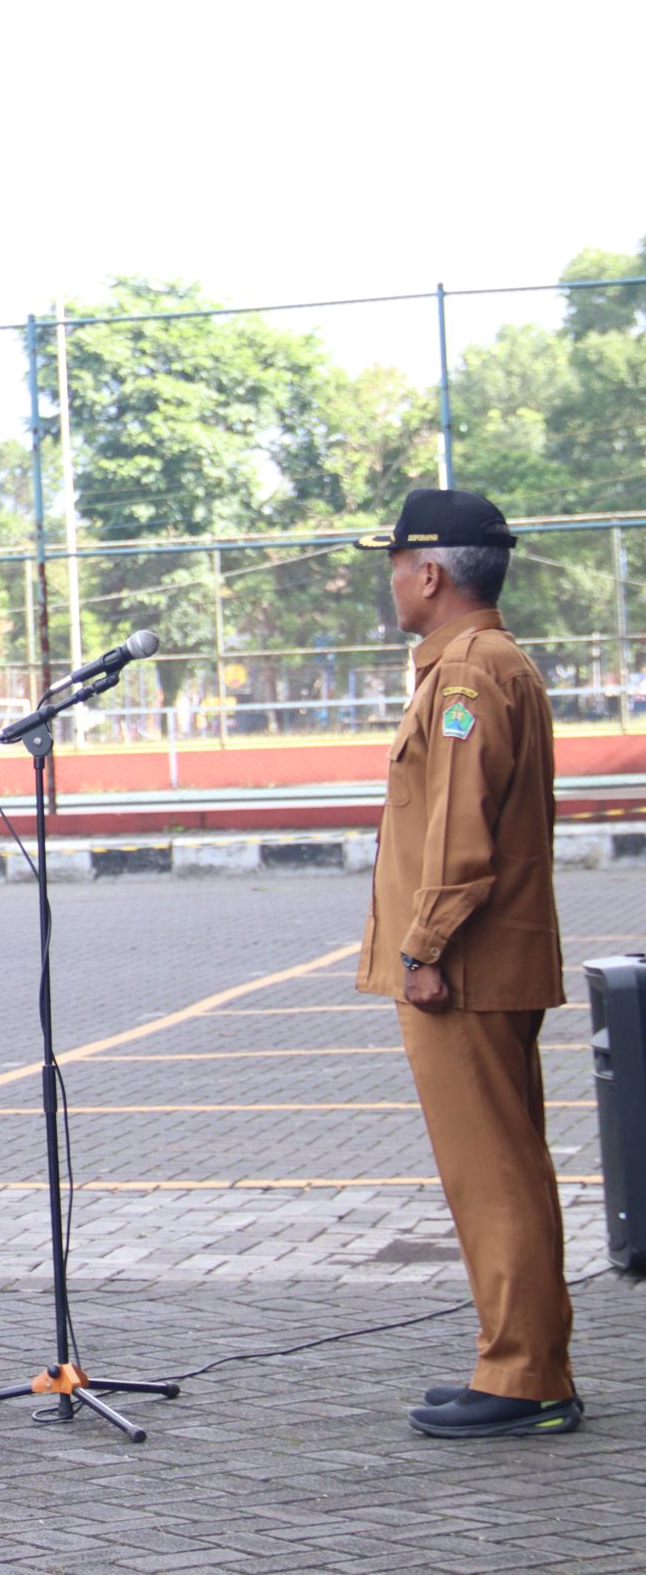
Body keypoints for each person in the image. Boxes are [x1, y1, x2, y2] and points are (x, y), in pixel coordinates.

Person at [352, 489, 580, 1439]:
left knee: (493, 1175)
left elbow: (457, 833)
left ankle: (526, 1378)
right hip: (483, 962)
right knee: (505, 1169)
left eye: (395, 562)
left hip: (466, 968)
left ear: (431, 573)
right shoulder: (481, 664)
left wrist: (423, 947)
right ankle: (520, 1361)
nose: (391, 579)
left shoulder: (468, 676)